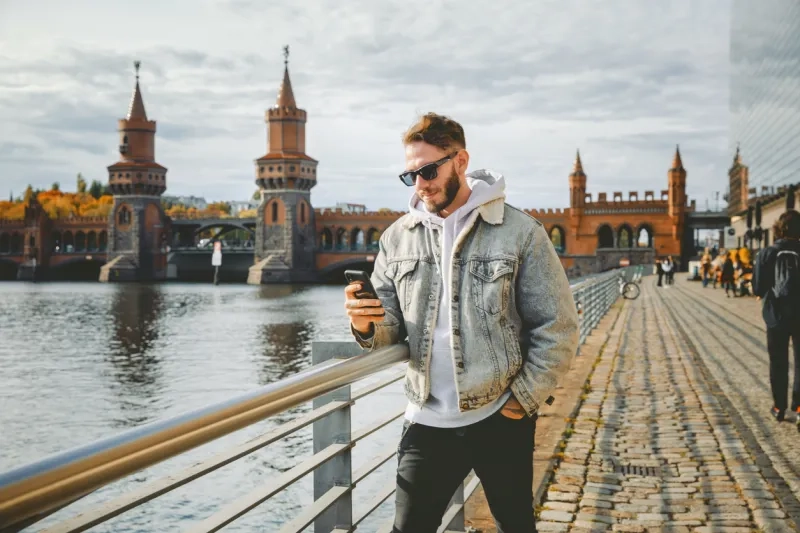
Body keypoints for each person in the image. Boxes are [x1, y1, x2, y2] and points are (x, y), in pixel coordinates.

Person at [344, 112, 580, 532]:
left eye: (429, 170)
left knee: (516, 524)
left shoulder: (519, 231)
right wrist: (366, 324)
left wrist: (521, 402)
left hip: (499, 415)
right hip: (427, 420)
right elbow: (390, 331)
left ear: (461, 160)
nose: (421, 184)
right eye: (410, 175)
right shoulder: (397, 237)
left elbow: (558, 326)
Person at [753, 210, 800, 430]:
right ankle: (799, 407)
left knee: (778, 361)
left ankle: (779, 407)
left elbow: (758, 287)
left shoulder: (767, 253)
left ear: (778, 228)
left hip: (776, 315)